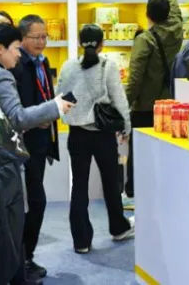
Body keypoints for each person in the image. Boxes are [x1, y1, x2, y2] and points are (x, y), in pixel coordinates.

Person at [0, 23, 71, 285]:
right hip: (7, 155)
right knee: (18, 214)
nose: (18, 54)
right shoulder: (2, 76)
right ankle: (19, 268)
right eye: (15, 48)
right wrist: (55, 107)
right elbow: (17, 117)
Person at [57, 24, 135, 254]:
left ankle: (81, 240)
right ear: (101, 44)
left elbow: (61, 96)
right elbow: (119, 98)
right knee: (111, 182)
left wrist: (76, 112)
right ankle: (118, 228)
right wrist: (126, 126)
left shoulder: (68, 65)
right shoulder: (107, 66)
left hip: (77, 134)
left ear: (80, 42)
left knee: (79, 185)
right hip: (103, 133)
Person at [123, 0, 183, 207]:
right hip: (168, 106)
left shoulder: (145, 39)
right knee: (164, 152)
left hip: (145, 106)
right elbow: (176, 11)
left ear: (147, 14)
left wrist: (123, 106)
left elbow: (135, 78)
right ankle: (162, 193)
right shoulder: (176, 31)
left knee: (139, 153)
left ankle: (133, 194)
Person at [12, 14, 59, 282]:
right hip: (22, 143)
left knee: (36, 201)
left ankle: (26, 257)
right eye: (36, 37)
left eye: (44, 36)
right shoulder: (17, 65)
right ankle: (21, 260)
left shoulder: (43, 62)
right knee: (32, 203)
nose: (41, 42)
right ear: (22, 39)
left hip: (40, 142)